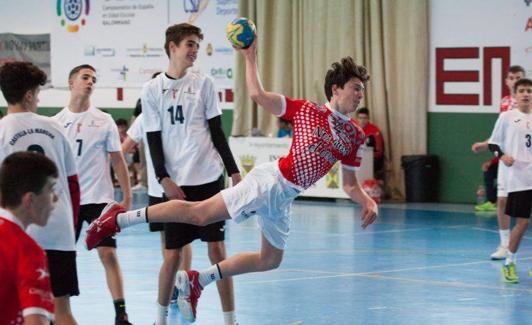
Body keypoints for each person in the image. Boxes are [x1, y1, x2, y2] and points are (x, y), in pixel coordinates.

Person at [85, 38, 379, 322]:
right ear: (336, 88)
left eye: (362, 90)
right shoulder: (307, 110)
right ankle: (118, 219)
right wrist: (250, 57)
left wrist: (367, 201)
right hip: (270, 182)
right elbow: (259, 96)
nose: (360, 95)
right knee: (199, 214)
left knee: (269, 260)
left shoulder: (355, 134)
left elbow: (350, 184)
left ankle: (199, 279)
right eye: (355, 88)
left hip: (285, 198)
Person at [133, 23, 242, 325]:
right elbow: (152, 137)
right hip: (176, 185)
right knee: (172, 255)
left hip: (208, 179)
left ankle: (230, 319)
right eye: (190, 45)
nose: (195, 51)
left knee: (217, 250)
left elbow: (217, 131)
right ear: (172, 48)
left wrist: (233, 171)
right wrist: (162, 178)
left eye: (197, 45)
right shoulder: (152, 89)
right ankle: (159, 319)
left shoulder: (204, 83)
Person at [0, 61, 80, 325]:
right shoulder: (56, 126)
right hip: (58, 230)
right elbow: (73, 184)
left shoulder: (1, 130)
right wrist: (72, 226)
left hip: (15, 232)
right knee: (62, 310)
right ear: (29, 95)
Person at [52, 64, 133, 325]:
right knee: (62, 258)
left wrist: (127, 197)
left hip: (99, 198)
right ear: (71, 82)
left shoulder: (104, 120)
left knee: (108, 254)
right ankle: (56, 312)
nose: (90, 82)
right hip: (66, 200)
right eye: (85, 77)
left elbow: (118, 160)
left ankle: (120, 313)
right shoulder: (55, 123)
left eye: (94, 79)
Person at [121, 113, 192, 305]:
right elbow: (124, 147)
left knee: (182, 238)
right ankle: (175, 285)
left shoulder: (177, 111)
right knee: (166, 238)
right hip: (156, 187)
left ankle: (184, 284)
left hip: (179, 183)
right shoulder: (145, 117)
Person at [471, 65, 526, 259]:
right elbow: (500, 135)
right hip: (506, 161)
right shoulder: (505, 105)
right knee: (502, 200)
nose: (514, 80)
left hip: (526, 162)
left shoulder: (528, 104)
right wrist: (487, 147)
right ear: (507, 81)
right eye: (511, 78)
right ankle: (504, 245)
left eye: (518, 77)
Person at [0, 152, 59, 325]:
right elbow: (35, 322)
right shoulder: (27, 251)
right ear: (30, 200)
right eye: (51, 189)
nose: (55, 198)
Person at [488, 78, 532, 283]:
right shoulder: (507, 117)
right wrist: (502, 155)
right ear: (514, 95)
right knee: (522, 222)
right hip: (519, 177)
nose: (526, 94)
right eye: (522, 91)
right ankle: (510, 263)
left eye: (529, 91)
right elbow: (493, 144)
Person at [355, 107, 385, 180]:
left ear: (368, 119)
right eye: (360, 118)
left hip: (373, 159)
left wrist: (367, 156)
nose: (362, 121)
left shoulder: (374, 131)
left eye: (365, 118)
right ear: (357, 119)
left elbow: (379, 152)